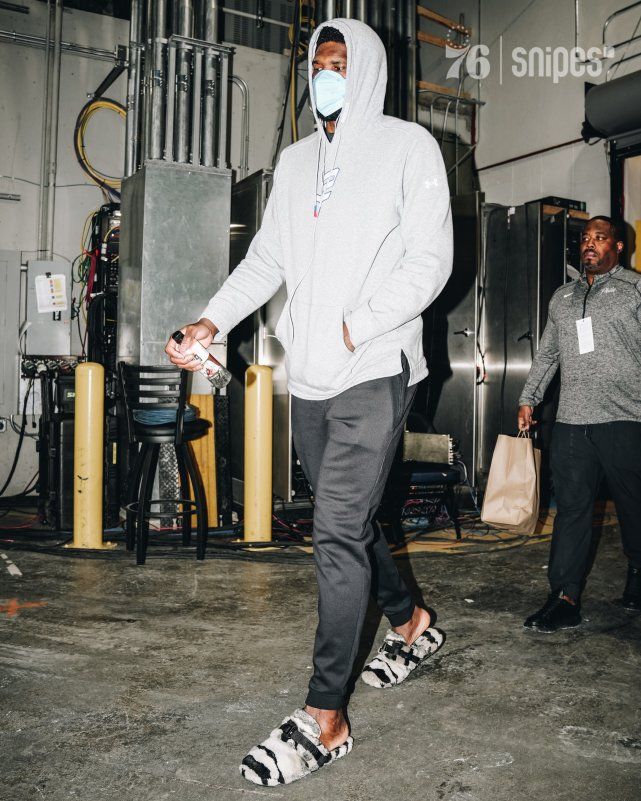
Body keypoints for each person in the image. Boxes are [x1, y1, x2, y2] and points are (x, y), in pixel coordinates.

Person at [165, 18, 452, 786]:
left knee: (334, 528)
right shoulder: (294, 163)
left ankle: (326, 714)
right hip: (314, 376)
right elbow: (266, 259)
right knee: (347, 521)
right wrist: (211, 320)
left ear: (367, 73)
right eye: (318, 64)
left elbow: (431, 258)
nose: (325, 76)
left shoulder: (407, 147)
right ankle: (411, 620)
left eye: (339, 64)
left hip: (376, 363)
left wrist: (362, 321)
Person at [518, 215, 641, 634]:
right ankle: (564, 598)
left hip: (627, 418)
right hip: (571, 421)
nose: (589, 244)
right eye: (586, 238)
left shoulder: (635, 289)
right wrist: (529, 397)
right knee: (571, 509)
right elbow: (549, 353)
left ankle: (638, 570)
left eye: (600, 237)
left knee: (634, 507)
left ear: (618, 246)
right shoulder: (563, 297)